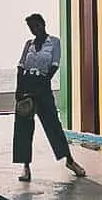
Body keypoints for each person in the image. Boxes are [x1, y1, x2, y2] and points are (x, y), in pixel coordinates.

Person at [13, 13, 86, 181]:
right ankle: (26, 167)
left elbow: (54, 66)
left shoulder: (54, 42)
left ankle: (70, 161)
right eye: (31, 27)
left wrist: (41, 87)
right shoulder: (28, 44)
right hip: (26, 85)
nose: (34, 30)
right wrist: (19, 90)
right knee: (23, 128)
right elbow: (20, 66)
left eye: (36, 26)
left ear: (43, 24)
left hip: (43, 86)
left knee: (53, 125)